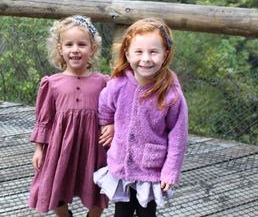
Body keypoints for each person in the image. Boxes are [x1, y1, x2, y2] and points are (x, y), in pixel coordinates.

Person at [94, 18, 188, 217]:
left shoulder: (171, 94)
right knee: (121, 212)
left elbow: (178, 136)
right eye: (139, 52)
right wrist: (108, 123)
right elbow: (105, 103)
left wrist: (170, 171)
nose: (146, 59)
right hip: (121, 164)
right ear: (127, 54)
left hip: (150, 169)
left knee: (147, 213)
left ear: (165, 54)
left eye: (153, 52)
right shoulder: (118, 84)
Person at [28, 15, 108, 217]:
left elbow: (112, 113)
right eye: (69, 44)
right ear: (60, 49)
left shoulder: (103, 83)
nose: (75, 49)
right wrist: (39, 149)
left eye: (82, 44)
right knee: (55, 184)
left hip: (94, 147)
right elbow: (44, 119)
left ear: (93, 49)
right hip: (60, 147)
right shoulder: (52, 83)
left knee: (99, 186)